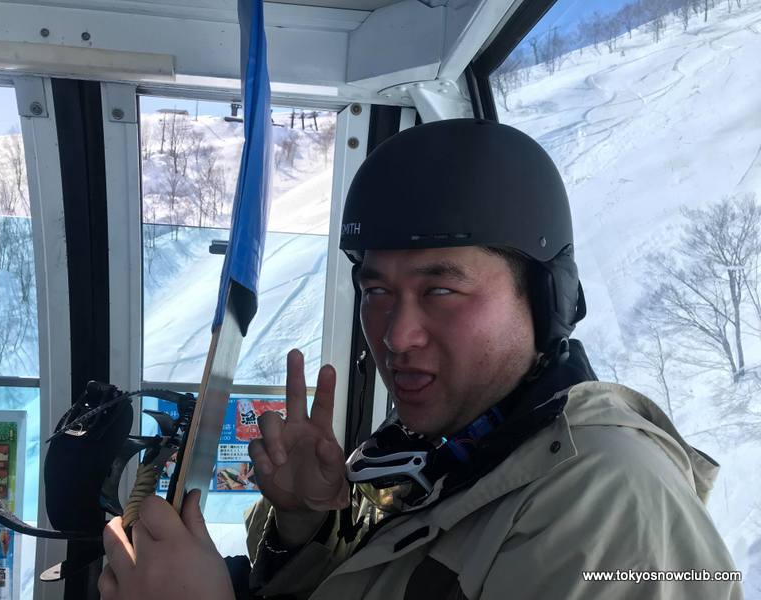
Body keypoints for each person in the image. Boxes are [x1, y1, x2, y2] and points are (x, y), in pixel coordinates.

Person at [99, 119, 742, 600]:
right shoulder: (445, 451)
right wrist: (304, 524)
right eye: (376, 291)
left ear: (545, 298)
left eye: (440, 289)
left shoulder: (612, 503)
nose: (396, 335)